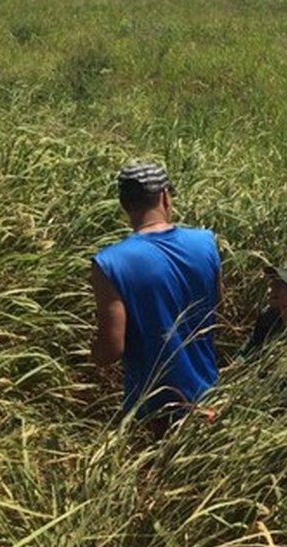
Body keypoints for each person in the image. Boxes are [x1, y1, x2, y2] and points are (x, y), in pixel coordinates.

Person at [90, 161, 221, 435]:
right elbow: (215, 306)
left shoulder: (109, 262)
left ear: (125, 204)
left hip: (150, 412)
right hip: (207, 400)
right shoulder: (206, 242)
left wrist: (91, 353)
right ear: (164, 196)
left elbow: (111, 351)